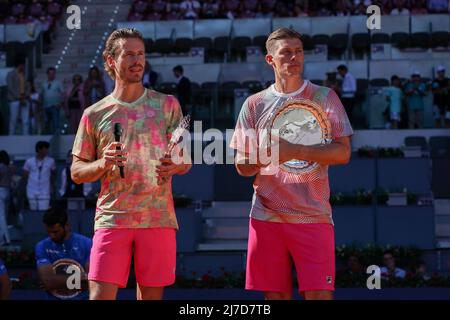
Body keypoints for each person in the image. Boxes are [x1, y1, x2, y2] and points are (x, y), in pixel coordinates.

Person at [230, 28, 353, 300]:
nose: (294, 57)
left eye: (299, 51)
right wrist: (262, 158)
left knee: (320, 295)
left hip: (313, 214)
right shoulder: (253, 104)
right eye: (286, 52)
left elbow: (343, 153)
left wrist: (293, 150)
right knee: (275, 297)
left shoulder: (324, 97)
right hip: (266, 216)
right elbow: (241, 165)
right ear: (270, 59)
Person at [71, 28, 192, 300]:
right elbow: (77, 172)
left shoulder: (168, 105)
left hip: (157, 217)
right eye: (129, 54)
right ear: (112, 61)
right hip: (112, 219)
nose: (138, 60)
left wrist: (176, 164)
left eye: (141, 54)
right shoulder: (94, 114)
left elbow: (185, 158)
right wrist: (103, 162)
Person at [35, 205, 92, 300]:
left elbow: (91, 282)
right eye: (48, 232)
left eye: (55, 232)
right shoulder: (42, 246)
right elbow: (48, 281)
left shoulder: (87, 243)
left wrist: (56, 282)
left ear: (67, 226)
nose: (52, 236)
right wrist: (81, 277)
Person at [23, 141, 56, 211]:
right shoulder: (29, 161)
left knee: (44, 210)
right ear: (39, 149)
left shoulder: (51, 161)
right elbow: (25, 175)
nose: (47, 151)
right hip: (31, 189)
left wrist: (52, 186)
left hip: (45, 190)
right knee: (33, 210)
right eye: (45, 149)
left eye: (47, 149)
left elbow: (53, 174)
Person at [7, 59, 31, 135]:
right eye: (23, 65)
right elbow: (10, 88)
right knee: (13, 119)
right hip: (14, 99)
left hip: (24, 98)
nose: (24, 67)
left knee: (26, 120)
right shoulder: (10, 74)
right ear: (20, 65)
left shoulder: (24, 74)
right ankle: (11, 136)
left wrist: (26, 95)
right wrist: (19, 97)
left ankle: (25, 136)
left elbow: (28, 86)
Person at [40, 67, 64, 134]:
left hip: (55, 106)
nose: (51, 75)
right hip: (45, 106)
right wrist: (41, 107)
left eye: (53, 73)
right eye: (50, 73)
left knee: (56, 123)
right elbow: (41, 95)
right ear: (47, 74)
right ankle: (47, 139)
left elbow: (63, 94)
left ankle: (56, 139)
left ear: (55, 74)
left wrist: (60, 104)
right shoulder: (43, 83)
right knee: (47, 124)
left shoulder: (58, 83)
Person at [0, 151, 12, 246]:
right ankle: (3, 239)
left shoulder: (1, 167)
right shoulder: (9, 167)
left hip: (1, 191)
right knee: (3, 216)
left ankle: (6, 238)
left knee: (1, 216)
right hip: (7, 191)